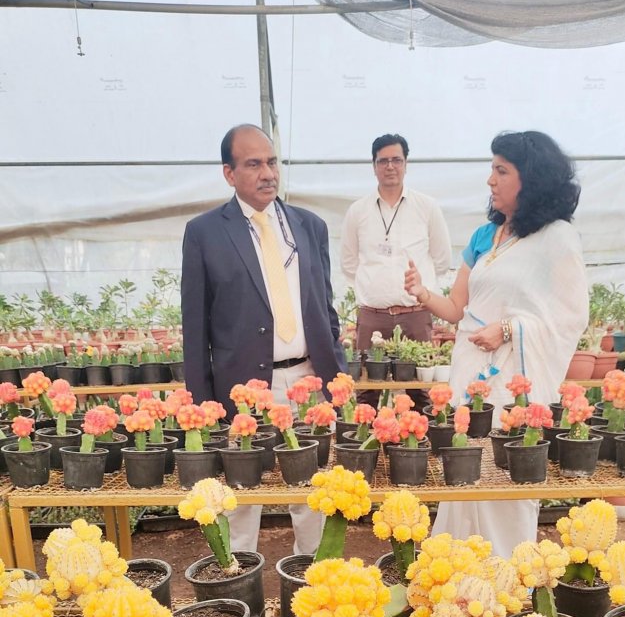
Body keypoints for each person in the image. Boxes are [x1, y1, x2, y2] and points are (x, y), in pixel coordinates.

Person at [405, 130, 589, 557]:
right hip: (471, 375)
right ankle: (457, 574)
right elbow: (458, 307)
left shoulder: (556, 237)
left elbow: (570, 315)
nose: (490, 180)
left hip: (513, 384)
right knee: (465, 474)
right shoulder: (490, 236)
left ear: (532, 179)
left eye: (501, 170)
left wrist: (510, 328)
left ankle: (507, 581)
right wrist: (423, 294)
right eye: (491, 168)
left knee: (504, 480)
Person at [182, 123, 347, 554]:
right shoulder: (205, 233)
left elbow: (325, 307)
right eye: (253, 164)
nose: (267, 173)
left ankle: (313, 581)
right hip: (245, 388)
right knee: (241, 497)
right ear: (229, 173)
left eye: (272, 162)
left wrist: (338, 374)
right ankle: (240, 584)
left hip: (308, 381)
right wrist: (203, 405)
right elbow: (195, 328)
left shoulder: (309, 227)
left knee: (313, 493)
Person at [340, 133, 452, 406]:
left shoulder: (427, 207)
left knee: (422, 390)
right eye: (383, 161)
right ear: (374, 165)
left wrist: (424, 294)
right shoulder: (358, 211)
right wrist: (375, 289)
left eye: (396, 160)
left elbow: (442, 260)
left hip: (415, 315)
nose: (390, 166)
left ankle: (425, 447)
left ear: (406, 164)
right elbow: (349, 263)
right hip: (372, 317)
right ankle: (365, 448)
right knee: (366, 390)